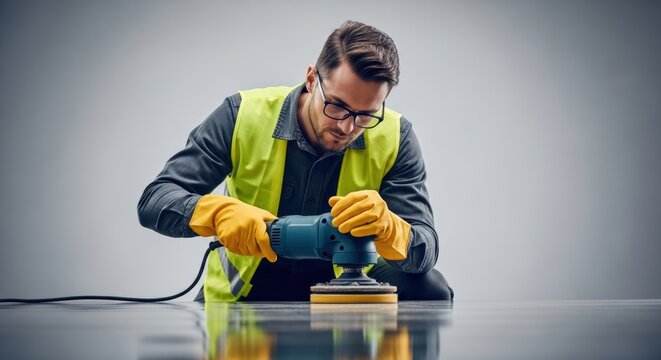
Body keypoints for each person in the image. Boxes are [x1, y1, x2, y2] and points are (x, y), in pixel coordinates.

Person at [138, 20, 453, 302]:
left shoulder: (396, 136)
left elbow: (425, 248)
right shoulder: (242, 114)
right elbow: (155, 200)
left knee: (431, 288)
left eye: (365, 114)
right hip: (244, 294)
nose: (346, 126)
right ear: (312, 79)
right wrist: (216, 213)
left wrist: (391, 229)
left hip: (346, 295)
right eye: (337, 106)